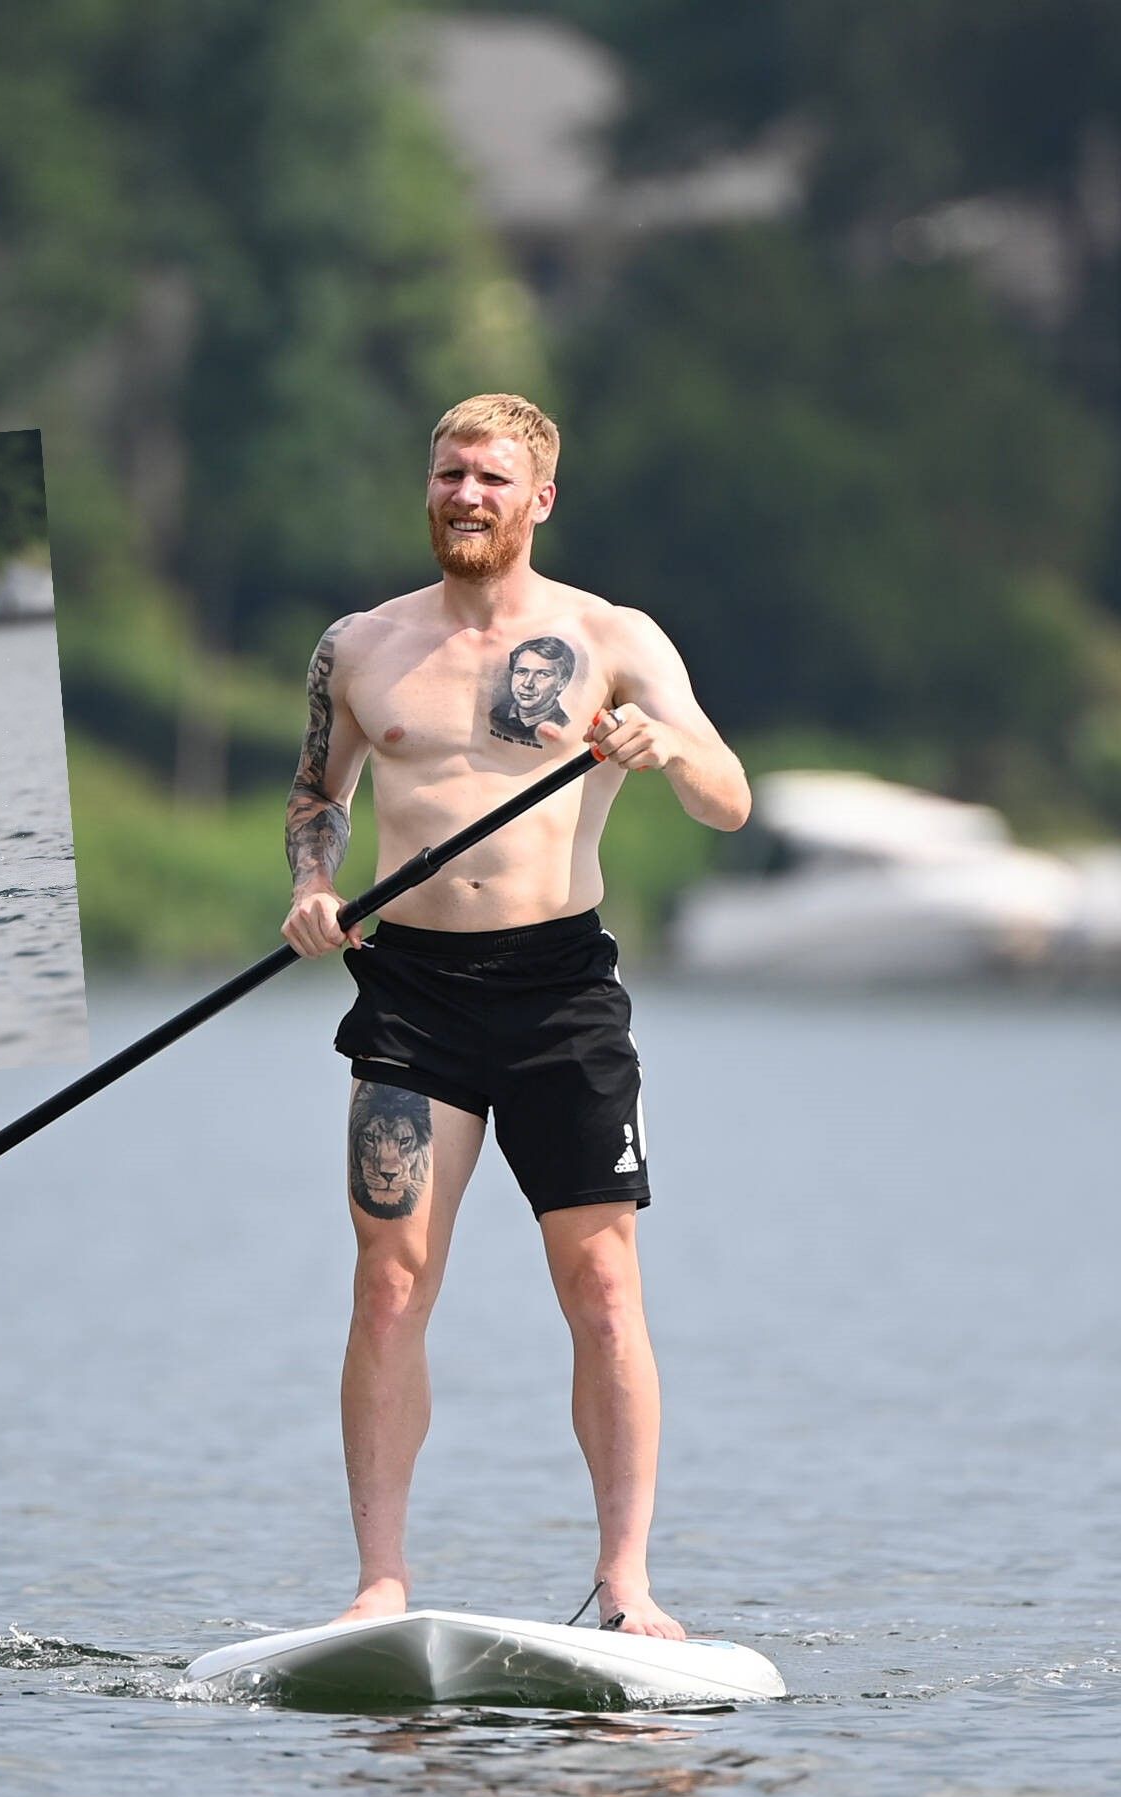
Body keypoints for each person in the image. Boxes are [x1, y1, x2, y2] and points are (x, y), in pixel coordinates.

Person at [280, 392, 751, 1638]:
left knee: (601, 1284)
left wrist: (665, 748)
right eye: (446, 476)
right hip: (411, 997)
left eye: (488, 479)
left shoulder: (611, 636)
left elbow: (730, 800)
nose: (463, 497)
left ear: (538, 498)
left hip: (558, 996)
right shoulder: (359, 644)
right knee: (388, 1282)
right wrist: (313, 890)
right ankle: (380, 1582)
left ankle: (625, 1582)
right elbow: (315, 797)